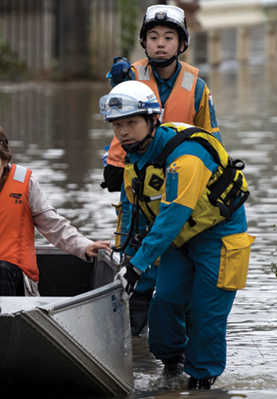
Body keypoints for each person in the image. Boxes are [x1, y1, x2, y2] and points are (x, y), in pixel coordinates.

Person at [100, 81, 254, 390]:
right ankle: (172, 366)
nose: (124, 131)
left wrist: (138, 266)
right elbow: (132, 207)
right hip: (178, 240)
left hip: (218, 237)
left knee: (207, 314)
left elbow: (172, 217)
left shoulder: (186, 158)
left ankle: (202, 383)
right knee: (165, 302)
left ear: (152, 120)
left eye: (131, 122)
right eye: (117, 125)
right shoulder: (135, 157)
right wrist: (126, 254)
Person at [101, 4, 221, 336]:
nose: (160, 44)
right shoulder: (129, 75)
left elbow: (211, 139)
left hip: (181, 179)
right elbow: (117, 122)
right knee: (135, 249)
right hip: (137, 177)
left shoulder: (196, 86)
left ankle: (173, 332)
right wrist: (112, 166)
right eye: (153, 37)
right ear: (143, 42)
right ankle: (135, 338)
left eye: (169, 37)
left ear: (182, 44)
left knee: (175, 250)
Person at [0, 125, 111, 298]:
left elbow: (54, 225)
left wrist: (84, 245)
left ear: (5, 159)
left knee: (0, 269)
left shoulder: (26, 184)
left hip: (14, 281)